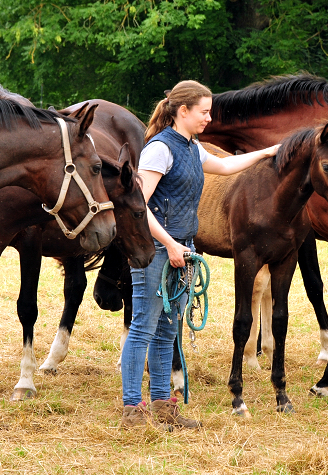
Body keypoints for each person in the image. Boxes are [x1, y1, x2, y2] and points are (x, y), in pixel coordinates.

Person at [120, 80, 280, 430]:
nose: (209, 118)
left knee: (167, 330)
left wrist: (267, 153)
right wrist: (171, 245)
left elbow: (226, 167)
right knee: (143, 326)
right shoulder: (160, 149)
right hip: (157, 250)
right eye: (204, 112)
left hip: (183, 250)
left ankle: (163, 405)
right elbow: (138, 207)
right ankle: (133, 409)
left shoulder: (192, 148)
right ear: (183, 111)